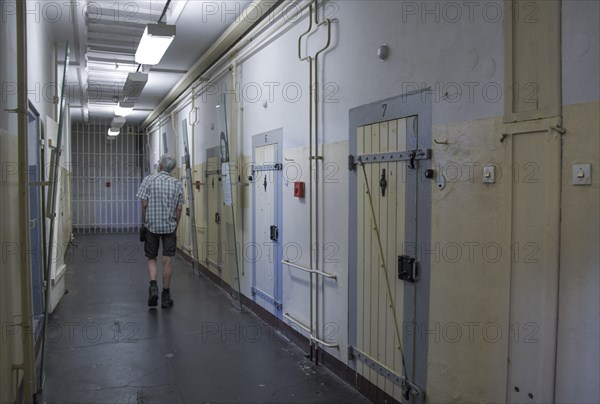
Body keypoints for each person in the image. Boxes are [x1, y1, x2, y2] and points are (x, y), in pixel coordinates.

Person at [136, 154, 184, 308]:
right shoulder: (177, 184)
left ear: (161, 166)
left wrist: (145, 221)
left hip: (152, 226)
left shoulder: (149, 180)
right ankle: (166, 296)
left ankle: (153, 287)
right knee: (167, 259)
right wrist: (175, 225)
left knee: (151, 257)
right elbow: (179, 208)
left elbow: (144, 204)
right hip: (169, 227)